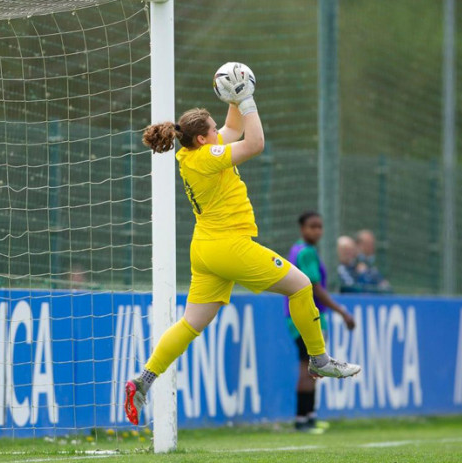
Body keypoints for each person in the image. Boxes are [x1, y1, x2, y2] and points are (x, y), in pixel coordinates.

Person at [124, 63, 361, 426]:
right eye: (212, 132)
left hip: (205, 249)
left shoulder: (190, 153)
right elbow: (254, 142)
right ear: (203, 139)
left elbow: (233, 128)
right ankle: (320, 360)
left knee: (190, 324)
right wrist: (247, 100)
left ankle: (144, 380)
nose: (220, 133)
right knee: (301, 287)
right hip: (228, 245)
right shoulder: (206, 158)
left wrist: (234, 94)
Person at [285, 212, 356, 432]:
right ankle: (301, 420)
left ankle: (310, 416)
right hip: (307, 317)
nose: (317, 231)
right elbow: (315, 287)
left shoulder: (300, 250)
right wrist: (342, 311)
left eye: (319, 227)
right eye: (312, 226)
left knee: (314, 368)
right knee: (309, 367)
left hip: (305, 317)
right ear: (302, 228)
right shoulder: (306, 253)